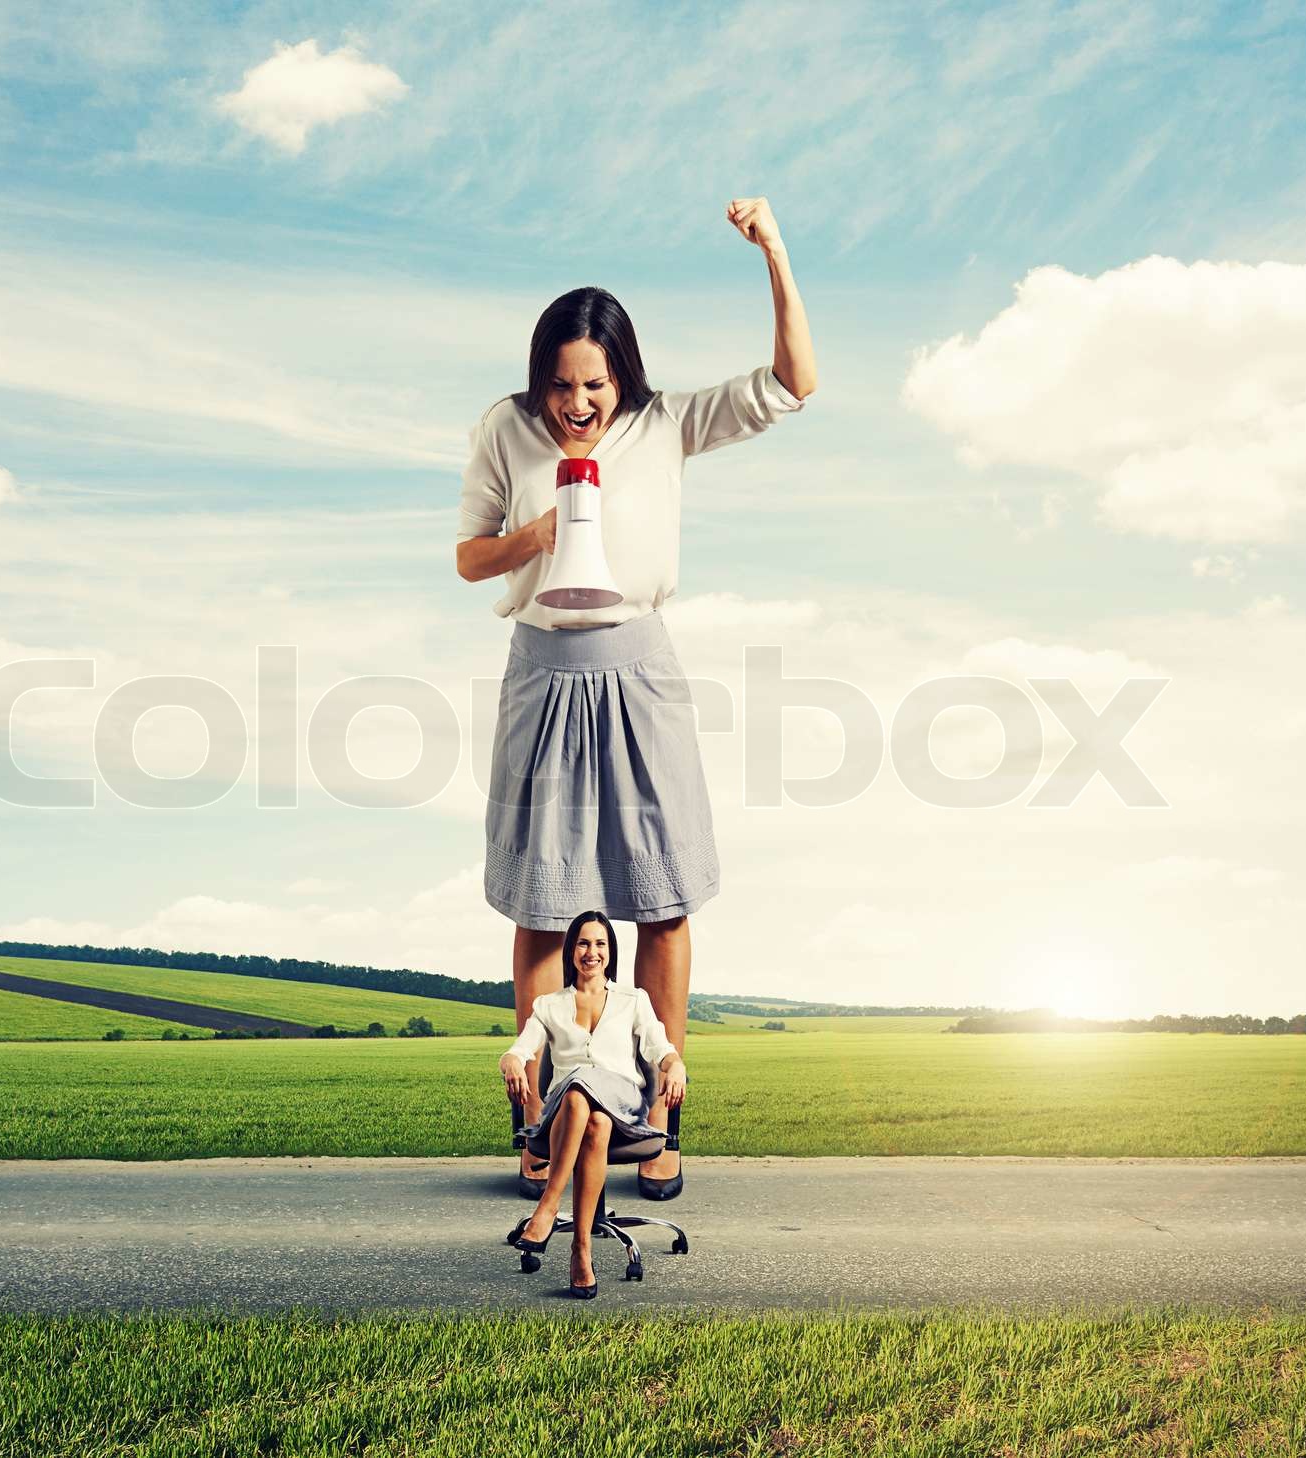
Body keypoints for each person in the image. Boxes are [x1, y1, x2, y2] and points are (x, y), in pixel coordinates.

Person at [458, 196, 817, 1202]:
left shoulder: (666, 425)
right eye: (562, 387)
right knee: (539, 904)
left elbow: (797, 383)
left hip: (641, 668)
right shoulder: (503, 429)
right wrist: (528, 539)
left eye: (596, 385)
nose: (578, 406)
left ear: (624, 377)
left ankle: (656, 1124)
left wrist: (774, 253)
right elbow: (465, 559)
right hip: (542, 668)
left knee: (661, 899)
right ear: (540, 381)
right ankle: (538, 1127)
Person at [500, 910, 687, 1298]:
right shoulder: (548, 1005)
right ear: (571, 951)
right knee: (585, 1108)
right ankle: (580, 1251)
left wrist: (675, 1065)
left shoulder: (633, 999)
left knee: (580, 1086)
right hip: (567, 1112)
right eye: (584, 943)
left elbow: (660, 1047)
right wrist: (511, 1061)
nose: (592, 952)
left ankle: (548, 1206)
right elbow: (521, 1049)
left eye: (600, 943)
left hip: (624, 1103)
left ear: (610, 951)